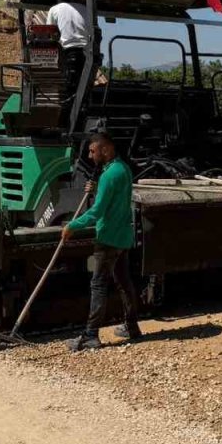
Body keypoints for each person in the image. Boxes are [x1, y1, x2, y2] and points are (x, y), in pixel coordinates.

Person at [60, 131, 141, 351]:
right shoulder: (122, 169)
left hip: (108, 239)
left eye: (93, 150)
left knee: (98, 284)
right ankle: (132, 327)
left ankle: (90, 336)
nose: (89, 154)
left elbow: (97, 212)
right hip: (123, 236)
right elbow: (114, 197)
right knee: (124, 282)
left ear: (105, 149)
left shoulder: (108, 175)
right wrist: (97, 190)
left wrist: (72, 226)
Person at [47, 0, 91, 98]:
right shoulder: (85, 9)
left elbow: (49, 33)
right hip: (87, 53)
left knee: (69, 87)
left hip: (69, 52)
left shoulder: (54, 9)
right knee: (82, 86)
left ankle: (67, 109)